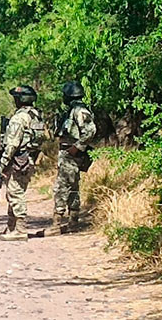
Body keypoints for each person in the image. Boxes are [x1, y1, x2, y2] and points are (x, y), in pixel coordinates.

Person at [0, 86, 46, 242]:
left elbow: (12, 143)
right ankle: (11, 226)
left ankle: (20, 229)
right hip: (29, 159)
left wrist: (3, 162)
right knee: (13, 192)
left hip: (19, 160)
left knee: (15, 193)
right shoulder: (36, 115)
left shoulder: (19, 118)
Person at [49, 81, 96, 233]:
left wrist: (77, 147)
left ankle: (58, 222)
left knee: (62, 187)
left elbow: (90, 131)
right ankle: (72, 221)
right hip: (67, 153)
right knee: (72, 187)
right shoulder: (71, 111)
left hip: (71, 155)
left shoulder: (79, 111)